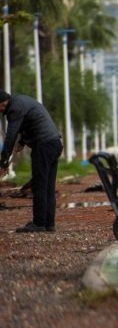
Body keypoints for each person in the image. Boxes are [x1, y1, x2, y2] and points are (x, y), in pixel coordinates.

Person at [0, 91, 63, 232]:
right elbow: (30, 123)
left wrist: (3, 161)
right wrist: (22, 141)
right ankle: (49, 223)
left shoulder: (14, 109)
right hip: (55, 143)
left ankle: (39, 224)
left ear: (3, 103)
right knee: (48, 187)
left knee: (40, 185)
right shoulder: (22, 101)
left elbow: (11, 135)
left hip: (43, 146)